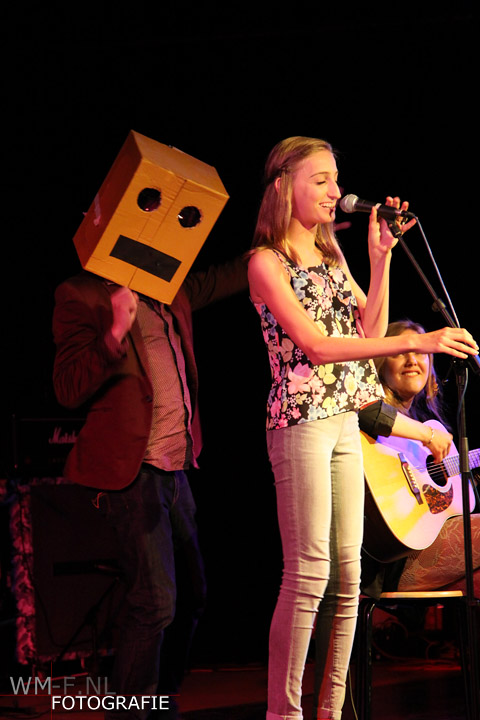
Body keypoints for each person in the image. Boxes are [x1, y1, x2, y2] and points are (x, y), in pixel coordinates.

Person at [246, 136, 478, 720]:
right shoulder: (266, 262)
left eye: (335, 179)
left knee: (347, 578)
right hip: (301, 421)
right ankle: (284, 712)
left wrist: (381, 260)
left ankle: (331, 710)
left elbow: (368, 331)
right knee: (308, 574)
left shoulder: (332, 258)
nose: (335, 191)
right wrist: (421, 340)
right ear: (284, 186)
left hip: (345, 421)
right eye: (320, 180)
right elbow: (320, 347)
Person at [52, 257, 247, 720]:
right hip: (133, 471)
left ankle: (158, 701)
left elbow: (225, 275)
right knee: (154, 602)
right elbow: (67, 387)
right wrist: (115, 331)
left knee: (192, 595)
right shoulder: (81, 293)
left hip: (175, 469)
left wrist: (284, 243)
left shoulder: (167, 288)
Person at [359, 319, 480, 598]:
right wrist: (428, 435)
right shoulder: (365, 416)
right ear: (379, 363)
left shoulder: (431, 426)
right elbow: (364, 412)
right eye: (400, 351)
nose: (412, 360)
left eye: (421, 352)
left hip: (425, 543)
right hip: (392, 558)